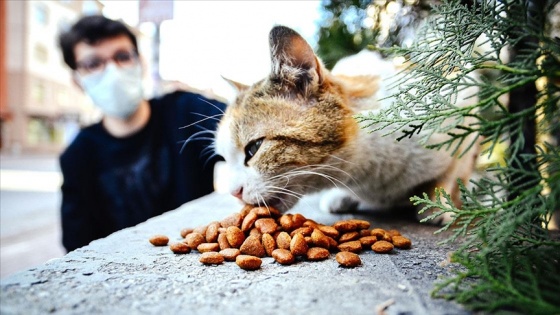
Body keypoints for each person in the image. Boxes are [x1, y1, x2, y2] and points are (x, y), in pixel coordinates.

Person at [58, 15, 226, 252]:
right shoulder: (78, 157)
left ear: (140, 63)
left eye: (122, 56)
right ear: (77, 80)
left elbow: (246, 126)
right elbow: (76, 248)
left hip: (201, 258)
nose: (112, 71)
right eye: (93, 63)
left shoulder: (186, 112)